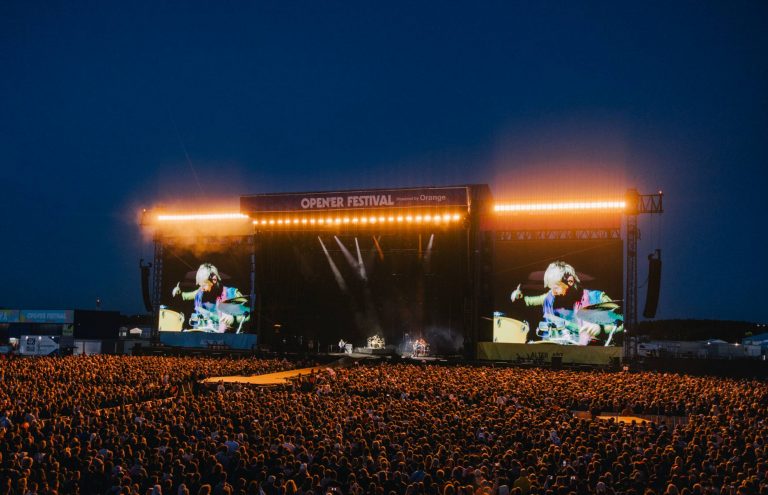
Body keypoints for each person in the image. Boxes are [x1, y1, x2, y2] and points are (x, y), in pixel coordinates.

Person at [510, 261, 621, 345]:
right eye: (551, 288)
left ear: (570, 281)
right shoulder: (552, 296)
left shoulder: (597, 298)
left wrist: (601, 329)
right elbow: (528, 301)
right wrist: (519, 297)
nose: (553, 292)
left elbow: (622, 323)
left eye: (556, 287)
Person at [171, 263, 249, 333]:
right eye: (200, 285)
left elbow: (249, 315)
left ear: (214, 279)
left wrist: (234, 318)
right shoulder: (201, 292)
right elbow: (185, 296)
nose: (202, 289)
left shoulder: (232, 293)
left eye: (204, 285)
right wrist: (179, 293)